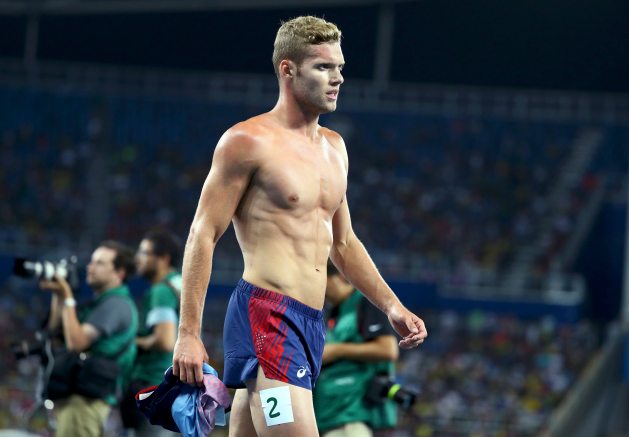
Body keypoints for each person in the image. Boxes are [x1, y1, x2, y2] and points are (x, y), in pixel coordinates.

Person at [172, 15, 427, 437]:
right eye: (324, 67)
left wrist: (392, 306)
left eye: (340, 67)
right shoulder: (247, 141)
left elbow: (343, 243)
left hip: (311, 322)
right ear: (288, 69)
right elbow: (203, 233)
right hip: (268, 314)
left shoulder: (335, 148)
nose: (338, 78)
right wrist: (188, 334)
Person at [41, 240, 138, 437]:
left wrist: (68, 296)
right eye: (92, 261)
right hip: (81, 397)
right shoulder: (101, 303)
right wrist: (59, 295)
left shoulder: (116, 304)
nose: (90, 267)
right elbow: (55, 332)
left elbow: (76, 343)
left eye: (100, 263)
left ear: (119, 273)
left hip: (86, 401)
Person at [313, 262, 399, 437]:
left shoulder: (364, 303)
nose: (318, 289)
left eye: (321, 282)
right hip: (330, 415)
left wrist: (337, 350)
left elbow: (388, 349)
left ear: (337, 277)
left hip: (352, 417)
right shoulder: (333, 314)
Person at [120, 229, 182, 436]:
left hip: (155, 382)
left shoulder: (162, 290)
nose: (138, 259)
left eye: (144, 253)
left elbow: (165, 341)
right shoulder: (182, 284)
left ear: (163, 259)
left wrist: (133, 341)